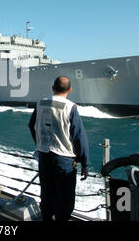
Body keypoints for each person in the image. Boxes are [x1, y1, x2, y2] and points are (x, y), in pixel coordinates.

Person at [28, 76, 89, 221]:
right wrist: (84, 163)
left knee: (47, 194)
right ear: (70, 90)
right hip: (64, 160)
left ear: (53, 88)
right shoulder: (70, 107)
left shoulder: (40, 103)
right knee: (65, 199)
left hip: (44, 156)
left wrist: (39, 143)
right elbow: (79, 137)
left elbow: (31, 125)